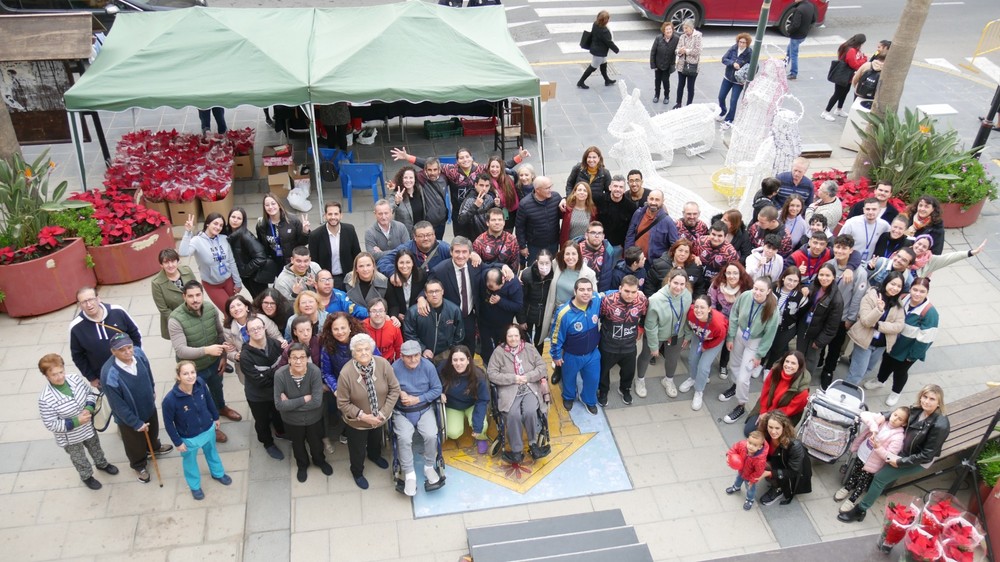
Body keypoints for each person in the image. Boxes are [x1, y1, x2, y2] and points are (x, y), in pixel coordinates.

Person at [839, 384, 949, 524]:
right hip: (903, 450)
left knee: (880, 478)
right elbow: (896, 414)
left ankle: (861, 510)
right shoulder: (917, 409)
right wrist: (882, 417)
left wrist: (899, 462)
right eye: (925, 396)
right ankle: (854, 487)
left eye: (932, 399)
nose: (926, 401)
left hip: (916, 460)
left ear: (939, 402)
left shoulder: (940, 425)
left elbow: (926, 455)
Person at [390, 147, 529, 239]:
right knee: (461, 240)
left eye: (467, 157)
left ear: (472, 158)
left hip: (478, 213)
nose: (465, 160)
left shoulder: (480, 169)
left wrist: (519, 157)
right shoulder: (450, 170)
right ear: (457, 161)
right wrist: (407, 157)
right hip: (459, 214)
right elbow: (428, 164)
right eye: (461, 158)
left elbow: (500, 166)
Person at [168, 280, 242, 443]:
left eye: (198, 295)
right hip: (193, 370)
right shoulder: (175, 319)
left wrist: (223, 357)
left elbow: (220, 334)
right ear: (184, 297)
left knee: (217, 388)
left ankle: (221, 408)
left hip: (214, 363)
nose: (195, 300)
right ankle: (210, 427)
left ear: (202, 295)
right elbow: (180, 350)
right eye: (190, 296)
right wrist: (207, 350)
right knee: (198, 400)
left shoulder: (209, 308)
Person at [37, 353, 117, 490]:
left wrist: (89, 408)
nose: (60, 377)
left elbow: (89, 393)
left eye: (61, 372)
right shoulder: (45, 399)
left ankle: (102, 464)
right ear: (46, 376)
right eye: (54, 375)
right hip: (70, 437)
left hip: (88, 427)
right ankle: (86, 476)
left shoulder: (74, 378)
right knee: (78, 457)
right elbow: (51, 424)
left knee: (95, 447)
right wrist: (76, 421)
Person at [100, 333, 173, 483]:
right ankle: (139, 465)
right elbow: (117, 404)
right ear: (113, 352)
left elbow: (148, 372)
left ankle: (153, 448)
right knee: (134, 444)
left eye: (129, 347)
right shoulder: (109, 373)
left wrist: (152, 389)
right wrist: (135, 422)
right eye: (122, 350)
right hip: (129, 417)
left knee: (152, 431)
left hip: (148, 406)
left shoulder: (139, 354)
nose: (128, 352)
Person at [162, 361, 232, 500]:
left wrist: (215, 417)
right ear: (178, 376)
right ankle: (195, 486)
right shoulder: (170, 400)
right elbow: (168, 423)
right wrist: (178, 442)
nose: (190, 376)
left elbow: (209, 400)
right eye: (185, 374)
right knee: (190, 462)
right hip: (189, 437)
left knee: (212, 452)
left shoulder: (200, 383)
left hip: (207, 429)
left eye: (192, 372)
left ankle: (218, 473)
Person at [337, 334, 399, 489]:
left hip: (379, 418)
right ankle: (357, 472)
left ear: (372, 350)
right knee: (357, 449)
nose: (364, 352)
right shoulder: (346, 373)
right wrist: (363, 416)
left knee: (375, 440)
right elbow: (342, 403)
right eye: (359, 350)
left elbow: (394, 389)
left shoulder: (383, 364)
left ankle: (374, 456)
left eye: (366, 349)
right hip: (357, 423)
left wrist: (382, 413)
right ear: (353, 353)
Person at [867, 277, 938, 406]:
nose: (917, 294)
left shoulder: (929, 313)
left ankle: (896, 392)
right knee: (886, 363)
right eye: (915, 289)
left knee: (900, 371)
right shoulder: (903, 298)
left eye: (922, 291)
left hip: (907, 349)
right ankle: (880, 380)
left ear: (927, 292)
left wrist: (913, 356)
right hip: (892, 341)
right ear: (910, 289)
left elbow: (926, 338)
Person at [720, 277, 780, 425]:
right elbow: (734, 314)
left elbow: (770, 335)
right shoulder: (746, 295)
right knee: (734, 364)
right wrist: (730, 336)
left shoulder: (772, 309)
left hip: (755, 341)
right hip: (740, 334)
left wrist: (760, 355)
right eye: (755, 288)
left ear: (769, 291)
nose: (757, 292)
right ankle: (735, 386)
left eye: (761, 290)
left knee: (744, 377)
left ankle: (741, 404)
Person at [488, 324, 549, 462]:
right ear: (505, 337)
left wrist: (528, 377)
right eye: (510, 336)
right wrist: (513, 378)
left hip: (529, 387)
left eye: (516, 335)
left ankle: (533, 443)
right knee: (512, 414)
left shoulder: (529, 348)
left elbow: (542, 367)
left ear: (520, 336)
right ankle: (516, 450)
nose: (513, 339)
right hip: (509, 389)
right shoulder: (498, 352)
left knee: (530, 411)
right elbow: (491, 374)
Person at [391, 340, 443, 496]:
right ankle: (409, 473)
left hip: (423, 408)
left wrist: (417, 399)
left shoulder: (428, 367)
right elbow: (388, 388)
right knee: (404, 438)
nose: (413, 359)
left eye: (416, 355)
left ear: (420, 354)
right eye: (408, 356)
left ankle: (429, 466)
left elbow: (437, 389)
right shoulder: (394, 368)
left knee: (431, 435)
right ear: (401, 356)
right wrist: (399, 392)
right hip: (402, 411)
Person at [275, 343, 331, 483]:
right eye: (294, 357)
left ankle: (319, 461)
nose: (298, 361)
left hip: (313, 418)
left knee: (316, 443)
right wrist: (304, 399)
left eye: (302, 357)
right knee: (297, 444)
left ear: (307, 359)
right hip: (292, 421)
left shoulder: (314, 372)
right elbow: (279, 405)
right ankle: (302, 465)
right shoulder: (280, 375)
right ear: (289, 359)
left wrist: (290, 404)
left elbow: (316, 402)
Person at [836, 408, 909, 513]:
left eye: (900, 419)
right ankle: (847, 488)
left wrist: (878, 447)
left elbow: (890, 456)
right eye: (895, 415)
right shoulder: (881, 421)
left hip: (873, 463)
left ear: (904, 423)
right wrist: (874, 427)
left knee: (863, 482)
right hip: (862, 453)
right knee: (855, 473)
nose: (895, 419)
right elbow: (864, 414)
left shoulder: (898, 437)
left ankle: (852, 499)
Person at [70, 286, 142, 388]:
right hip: (105, 376)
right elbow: (78, 356)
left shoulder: (117, 311)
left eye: (91, 299)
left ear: (98, 299)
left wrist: (138, 357)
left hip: (131, 366)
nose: (89, 304)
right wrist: (91, 378)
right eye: (84, 302)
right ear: (80, 305)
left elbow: (135, 334)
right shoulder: (76, 327)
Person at [551, 278, 603, 415]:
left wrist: (635, 292)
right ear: (575, 292)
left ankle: (589, 400)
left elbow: (609, 293)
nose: (586, 293)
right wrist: (556, 355)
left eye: (589, 289)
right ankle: (568, 396)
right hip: (571, 355)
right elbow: (555, 336)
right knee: (569, 378)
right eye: (582, 289)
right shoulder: (563, 312)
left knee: (593, 379)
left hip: (592, 353)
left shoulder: (596, 300)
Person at [239, 315, 287, 460]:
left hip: (276, 392)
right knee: (262, 422)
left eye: (259, 327)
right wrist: (276, 371)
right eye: (252, 329)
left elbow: (285, 365)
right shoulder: (245, 356)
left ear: (264, 328)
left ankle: (281, 432)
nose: (256, 331)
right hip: (258, 397)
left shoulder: (276, 344)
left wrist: (266, 373)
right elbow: (259, 382)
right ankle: (268, 443)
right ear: (247, 333)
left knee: (278, 414)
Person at [846, 272, 906, 386]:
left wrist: (879, 326)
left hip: (881, 344)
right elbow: (866, 321)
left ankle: (852, 385)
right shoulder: (871, 296)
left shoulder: (898, 303)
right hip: (865, 341)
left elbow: (899, 326)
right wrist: (878, 310)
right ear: (886, 282)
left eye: (899, 286)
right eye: (892, 284)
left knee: (868, 368)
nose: (895, 288)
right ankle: (847, 390)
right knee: (857, 373)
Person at [598, 275, 648, 406]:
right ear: (620, 288)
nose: (629, 295)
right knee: (603, 370)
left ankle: (625, 389)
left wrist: (640, 328)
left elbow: (644, 315)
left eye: (633, 292)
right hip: (609, 344)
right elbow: (601, 316)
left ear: (638, 291)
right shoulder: (608, 301)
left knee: (629, 371)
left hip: (629, 345)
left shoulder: (642, 300)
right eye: (626, 291)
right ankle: (603, 391)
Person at [179, 213, 242, 312]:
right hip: (212, 285)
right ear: (208, 223)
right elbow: (183, 252)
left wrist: (237, 282)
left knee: (236, 310)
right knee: (229, 311)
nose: (218, 227)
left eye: (221, 225)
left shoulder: (224, 238)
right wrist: (187, 232)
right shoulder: (197, 240)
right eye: (215, 223)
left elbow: (231, 261)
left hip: (228, 281)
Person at [645, 269, 692, 398]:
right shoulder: (656, 299)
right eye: (675, 283)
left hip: (677, 334)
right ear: (669, 281)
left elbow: (686, 317)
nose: (678, 287)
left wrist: (687, 335)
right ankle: (640, 379)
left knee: (672, 359)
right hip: (659, 334)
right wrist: (654, 346)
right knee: (645, 357)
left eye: (682, 284)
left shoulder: (687, 295)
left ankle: (668, 380)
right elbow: (650, 325)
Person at [677, 294, 728, 411]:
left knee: (703, 367)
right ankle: (693, 378)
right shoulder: (691, 313)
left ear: (709, 309)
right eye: (696, 307)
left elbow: (721, 337)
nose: (698, 310)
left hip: (714, 340)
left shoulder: (717, 323)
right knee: (692, 359)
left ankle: (699, 390)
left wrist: (707, 346)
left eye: (702, 307)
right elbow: (688, 325)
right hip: (698, 335)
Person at [540, 242, 598, 345]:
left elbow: (594, 298)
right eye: (567, 254)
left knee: (572, 345)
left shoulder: (589, 274)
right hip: (556, 313)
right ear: (563, 255)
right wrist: (522, 273)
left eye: (574, 254)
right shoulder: (557, 265)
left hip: (575, 316)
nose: (570, 257)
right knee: (556, 344)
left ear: (579, 255)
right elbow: (540, 264)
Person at [743, 351, 810, 436]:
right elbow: (765, 392)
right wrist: (763, 411)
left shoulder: (803, 390)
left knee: (771, 435)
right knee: (749, 431)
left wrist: (768, 416)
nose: (788, 365)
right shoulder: (775, 371)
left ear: (799, 366)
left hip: (784, 414)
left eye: (793, 363)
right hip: (768, 404)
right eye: (787, 361)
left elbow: (790, 409)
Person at [438, 345, 490, 453]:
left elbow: (482, 400)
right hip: (453, 405)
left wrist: (477, 427)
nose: (458, 363)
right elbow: (432, 382)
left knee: (482, 426)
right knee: (453, 433)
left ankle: (481, 437)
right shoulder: (442, 369)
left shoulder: (478, 375)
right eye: (455, 360)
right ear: (451, 361)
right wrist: (439, 392)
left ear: (468, 360)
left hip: (472, 404)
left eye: (462, 359)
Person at [222, 294, 284, 383]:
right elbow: (230, 351)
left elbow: (277, 336)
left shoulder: (261, 319)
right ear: (229, 312)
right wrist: (236, 356)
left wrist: (281, 344)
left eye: (239, 305)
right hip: (248, 365)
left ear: (246, 307)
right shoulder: (228, 329)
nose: (236, 309)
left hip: (269, 359)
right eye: (232, 307)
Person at [797, 264, 844, 377]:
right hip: (804, 327)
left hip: (817, 334)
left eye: (827, 275)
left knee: (811, 359)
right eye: (821, 275)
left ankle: (805, 380)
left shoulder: (837, 300)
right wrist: (804, 289)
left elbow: (832, 326)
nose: (824, 278)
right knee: (799, 354)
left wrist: (820, 341)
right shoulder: (815, 286)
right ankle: (795, 376)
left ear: (834, 277)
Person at [708, 261, 753, 381]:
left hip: (737, 321)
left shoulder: (747, 288)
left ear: (740, 274)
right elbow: (711, 302)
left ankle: (723, 365)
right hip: (719, 318)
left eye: (735, 273)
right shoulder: (716, 285)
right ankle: (707, 365)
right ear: (724, 274)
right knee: (714, 341)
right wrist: (715, 320)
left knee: (729, 343)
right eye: (728, 273)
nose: (731, 276)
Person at [757, 411, 812, 506]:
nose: (773, 431)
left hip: (791, 473)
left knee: (764, 466)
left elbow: (793, 472)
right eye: (770, 427)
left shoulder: (794, 446)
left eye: (777, 428)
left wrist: (769, 473)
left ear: (784, 427)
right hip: (777, 462)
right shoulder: (765, 435)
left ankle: (778, 489)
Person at [404, 279, 464, 361]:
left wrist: (450, 350)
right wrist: (423, 349)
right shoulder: (413, 312)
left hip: (445, 355)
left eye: (437, 291)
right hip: (422, 356)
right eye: (431, 292)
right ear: (425, 293)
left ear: (442, 291)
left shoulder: (454, 310)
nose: (434, 294)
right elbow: (409, 334)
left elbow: (459, 334)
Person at [307, 201, 361, 290]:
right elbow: (313, 262)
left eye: (336, 214)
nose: (333, 217)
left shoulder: (350, 230)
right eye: (330, 214)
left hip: (348, 277)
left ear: (341, 215)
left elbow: (357, 254)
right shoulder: (315, 235)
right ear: (325, 216)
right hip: (326, 280)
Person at [763, 267, 810, 368]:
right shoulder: (772, 289)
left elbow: (800, 316)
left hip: (786, 328)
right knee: (765, 345)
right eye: (789, 279)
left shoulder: (801, 297)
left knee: (777, 349)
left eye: (795, 281)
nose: (791, 283)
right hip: (768, 325)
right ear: (783, 277)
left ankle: (768, 367)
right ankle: (760, 364)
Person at [478, 268, 524, 367]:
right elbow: (489, 264)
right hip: (484, 322)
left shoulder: (514, 284)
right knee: (487, 349)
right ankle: (488, 366)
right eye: (490, 289)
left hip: (504, 324)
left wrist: (500, 301)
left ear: (503, 280)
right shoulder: (485, 274)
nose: (493, 292)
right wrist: (503, 265)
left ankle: (505, 367)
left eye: (496, 289)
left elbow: (518, 306)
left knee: (504, 349)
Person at [225, 207, 275, 297]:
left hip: (255, 276)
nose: (235, 220)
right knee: (255, 298)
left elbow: (261, 257)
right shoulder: (227, 233)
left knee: (262, 299)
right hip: (244, 275)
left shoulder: (246, 236)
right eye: (233, 217)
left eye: (239, 218)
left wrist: (245, 270)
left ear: (243, 221)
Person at [516, 175, 562, 267]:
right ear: (537, 190)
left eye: (551, 186)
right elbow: (520, 227)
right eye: (547, 188)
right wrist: (522, 246)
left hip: (553, 243)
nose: (550, 190)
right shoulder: (525, 204)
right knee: (534, 268)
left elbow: (563, 213)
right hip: (534, 246)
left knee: (552, 267)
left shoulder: (556, 197)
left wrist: (564, 200)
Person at [152, 249, 197, 340]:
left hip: (195, 313)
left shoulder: (187, 270)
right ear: (161, 265)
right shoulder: (156, 283)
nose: (170, 265)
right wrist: (183, 321)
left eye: (173, 261)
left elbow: (197, 290)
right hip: (176, 320)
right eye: (166, 262)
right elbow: (163, 309)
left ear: (178, 261)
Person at [624, 189, 679, 263]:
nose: (653, 202)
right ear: (647, 199)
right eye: (651, 199)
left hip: (653, 264)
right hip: (635, 260)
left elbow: (675, 245)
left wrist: (662, 261)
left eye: (657, 200)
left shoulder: (668, 222)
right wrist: (628, 255)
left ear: (663, 201)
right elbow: (630, 235)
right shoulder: (638, 213)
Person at [822, 34, 867, 121]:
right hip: (844, 75)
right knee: (837, 94)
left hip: (847, 75)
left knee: (845, 92)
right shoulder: (851, 50)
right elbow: (854, 65)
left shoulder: (846, 46)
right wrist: (864, 59)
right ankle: (826, 112)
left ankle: (839, 109)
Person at [256, 193, 309, 267]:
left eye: (273, 204)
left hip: (292, 262)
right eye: (267, 205)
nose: (270, 207)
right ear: (264, 207)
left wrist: (305, 231)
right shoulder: (261, 225)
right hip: (274, 263)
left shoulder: (293, 221)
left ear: (279, 205)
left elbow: (303, 243)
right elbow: (262, 245)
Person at [518, 249, 555, 355]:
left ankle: (538, 359)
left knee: (540, 341)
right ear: (536, 262)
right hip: (528, 312)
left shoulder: (554, 275)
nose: (544, 266)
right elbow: (521, 299)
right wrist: (521, 320)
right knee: (526, 340)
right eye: (541, 263)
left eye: (547, 263)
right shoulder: (527, 275)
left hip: (544, 314)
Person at [725, 431, 769, 511]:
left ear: (760, 447)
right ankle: (736, 487)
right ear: (747, 440)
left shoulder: (760, 460)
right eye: (750, 443)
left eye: (755, 445)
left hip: (750, 477)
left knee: (750, 489)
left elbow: (759, 472)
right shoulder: (742, 445)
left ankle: (750, 499)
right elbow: (735, 448)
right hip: (741, 471)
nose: (751, 446)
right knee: (738, 480)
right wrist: (729, 455)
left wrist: (752, 480)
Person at [694, 221, 741, 294]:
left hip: (717, 283)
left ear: (726, 236)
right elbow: (689, 253)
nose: (715, 238)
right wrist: (694, 257)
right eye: (713, 234)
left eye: (719, 236)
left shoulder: (730, 253)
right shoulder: (700, 241)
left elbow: (733, 272)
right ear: (710, 233)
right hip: (697, 278)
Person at [717, 33, 753, 128]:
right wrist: (732, 63)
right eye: (740, 42)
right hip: (728, 77)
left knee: (733, 100)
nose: (741, 44)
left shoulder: (749, 53)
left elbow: (753, 67)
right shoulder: (733, 48)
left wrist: (744, 71)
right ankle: (723, 111)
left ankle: (729, 120)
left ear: (747, 43)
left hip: (738, 81)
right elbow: (724, 59)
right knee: (721, 96)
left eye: (744, 43)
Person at [578, 10, 619, 89]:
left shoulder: (595, 24)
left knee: (604, 64)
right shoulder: (604, 31)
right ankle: (581, 82)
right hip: (599, 52)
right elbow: (609, 42)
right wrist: (616, 49)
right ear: (606, 20)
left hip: (596, 48)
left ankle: (607, 80)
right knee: (593, 67)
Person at [839, 198, 890, 262]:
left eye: (874, 209)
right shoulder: (851, 223)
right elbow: (839, 242)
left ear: (879, 210)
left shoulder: (884, 225)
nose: (870, 212)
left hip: (867, 264)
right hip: (848, 261)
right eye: (868, 209)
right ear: (863, 210)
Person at [911, 236, 987, 278]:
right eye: (919, 244)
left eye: (924, 247)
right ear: (915, 243)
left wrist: (972, 252)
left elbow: (951, 257)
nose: (920, 247)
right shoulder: (905, 252)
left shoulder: (930, 260)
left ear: (927, 250)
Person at [385, 250, 427, 324]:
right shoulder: (392, 280)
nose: (404, 266)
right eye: (401, 263)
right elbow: (393, 303)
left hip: (418, 315)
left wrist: (421, 297)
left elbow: (427, 288)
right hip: (400, 318)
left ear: (413, 263)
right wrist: (396, 315)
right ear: (396, 264)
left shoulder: (421, 275)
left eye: (408, 262)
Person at [598, 176, 638, 251]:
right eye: (615, 186)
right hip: (600, 244)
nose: (618, 189)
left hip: (619, 247)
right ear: (610, 187)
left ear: (624, 190)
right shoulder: (599, 200)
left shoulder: (631, 206)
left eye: (621, 187)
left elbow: (632, 229)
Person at [414, 157, 450, 240]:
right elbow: (407, 177)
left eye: (435, 169)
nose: (432, 173)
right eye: (429, 170)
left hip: (442, 221)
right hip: (427, 223)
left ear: (439, 170)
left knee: (439, 242)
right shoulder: (421, 177)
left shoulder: (445, 178)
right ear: (425, 170)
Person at [474, 207, 520, 272]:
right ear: (487, 222)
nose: (497, 222)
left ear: (504, 222)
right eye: (493, 220)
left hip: (507, 275)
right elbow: (476, 266)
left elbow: (515, 263)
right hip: (486, 275)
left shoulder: (512, 240)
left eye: (500, 220)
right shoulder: (479, 241)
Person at [576, 221, 616, 292]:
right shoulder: (577, 249)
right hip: (579, 290)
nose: (597, 236)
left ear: (603, 236)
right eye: (593, 233)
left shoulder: (609, 251)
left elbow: (607, 276)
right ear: (586, 235)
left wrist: (602, 294)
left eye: (599, 233)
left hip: (599, 292)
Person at [484, 155, 521, 231]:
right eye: (492, 166)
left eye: (497, 167)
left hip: (511, 213)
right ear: (489, 167)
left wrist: (520, 157)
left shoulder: (510, 177)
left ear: (501, 168)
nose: (494, 169)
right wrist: (497, 204)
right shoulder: (486, 182)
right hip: (495, 216)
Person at [458, 174, 499, 241]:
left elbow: (494, 217)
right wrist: (475, 206)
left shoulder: (489, 198)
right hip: (473, 238)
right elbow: (461, 220)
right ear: (476, 185)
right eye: (481, 185)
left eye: (487, 186)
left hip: (488, 237)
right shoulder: (469, 200)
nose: (484, 189)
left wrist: (497, 206)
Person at [673, 19, 703, 108]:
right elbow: (677, 49)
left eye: (686, 28)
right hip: (681, 65)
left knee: (690, 86)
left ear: (691, 27)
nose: (684, 30)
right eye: (684, 28)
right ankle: (678, 103)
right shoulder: (682, 37)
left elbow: (698, 51)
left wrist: (686, 51)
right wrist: (679, 51)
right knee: (680, 85)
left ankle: (689, 105)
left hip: (692, 66)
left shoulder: (698, 36)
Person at [784, 0, 816, 80]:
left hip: (796, 36)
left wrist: (788, 30)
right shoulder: (810, 5)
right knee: (789, 49)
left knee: (793, 54)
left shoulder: (798, 9)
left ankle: (793, 73)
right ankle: (783, 65)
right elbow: (813, 19)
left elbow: (795, 25)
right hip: (803, 34)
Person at [388, 166, 425, 236]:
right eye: (405, 178)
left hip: (421, 232)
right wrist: (396, 202)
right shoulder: (396, 194)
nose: (408, 180)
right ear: (401, 179)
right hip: (405, 235)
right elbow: (389, 210)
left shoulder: (420, 190)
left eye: (411, 177)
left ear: (415, 179)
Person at [365, 298, 403, 363]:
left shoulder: (394, 327)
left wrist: (397, 365)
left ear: (385, 312)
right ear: (369, 313)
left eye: (381, 311)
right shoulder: (361, 328)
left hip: (388, 363)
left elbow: (399, 349)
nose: (378, 314)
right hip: (367, 363)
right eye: (374, 311)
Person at [649, 21, 678, 104]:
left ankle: (666, 96)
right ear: (663, 31)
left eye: (670, 29)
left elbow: (679, 48)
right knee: (657, 81)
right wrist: (653, 65)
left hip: (667, 66)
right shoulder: (658, 38)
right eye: (667, 29)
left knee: (666, 81)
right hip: (658, 65)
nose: (669, 31)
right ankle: (656, 95)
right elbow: (653, 52)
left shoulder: (676, 39)